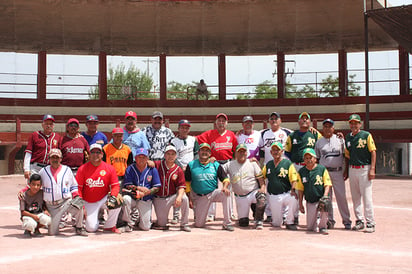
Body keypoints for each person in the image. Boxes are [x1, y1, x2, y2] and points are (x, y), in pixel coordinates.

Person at [197, 113, 238, 222]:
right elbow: (197, 140)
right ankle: (211, 214)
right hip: (214, 163)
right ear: (215, 123)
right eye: (219, 121)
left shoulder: (231, 135)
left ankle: (230, 213)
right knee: (212, 188)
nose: (221, 123)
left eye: (223, 121)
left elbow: (236, 150)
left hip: (227, 163)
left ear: (226, 123)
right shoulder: (210, 134)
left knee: (228, 189)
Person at [185, 143, 234, 231]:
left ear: (210, 153)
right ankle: (198, 217)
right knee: (199, 225)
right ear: (198, 152)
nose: (204, 152)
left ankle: (227, 223)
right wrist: (189, 198)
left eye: (207, 151)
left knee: (226, 194)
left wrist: (225, 187)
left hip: (213, 193)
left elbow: (225, 179)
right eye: (202, 150)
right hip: (199, 196)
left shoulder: (215, 165)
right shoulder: (191, 165)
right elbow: (187, 182)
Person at [38, 148, 87, 236]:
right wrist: (24, 190)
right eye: (53, 158)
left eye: (57, 158)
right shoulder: (43, 171)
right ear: (49, 159)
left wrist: (76, 195)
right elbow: (36, 185)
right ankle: (53, 223)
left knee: (78, 205)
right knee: (52, 233)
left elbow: (73, 185)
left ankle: (79, 227)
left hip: (65, 202)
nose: (55, 160)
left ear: (61, 159)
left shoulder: (67, 170)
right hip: (50, 206)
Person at [284, 112, 322, 224]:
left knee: (313, 189)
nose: (304, 120)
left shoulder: (315, 134)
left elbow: (323, 145)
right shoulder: (292, 135)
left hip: (311, 167)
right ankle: (295, 217)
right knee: (295, 191)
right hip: (297, 166)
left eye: (307, 119)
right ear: (298, 121)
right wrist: (296, 161)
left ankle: (318, 216)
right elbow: (287, 151)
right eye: (302, 118)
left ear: (310, 122)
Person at [76, 144, 122, 233]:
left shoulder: (109, 168)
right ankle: (90, 218)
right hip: (89, 201)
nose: (95, 154)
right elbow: (78, 188)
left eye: (98, 152)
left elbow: (115, 186)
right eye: (92, 152)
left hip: (103, 198)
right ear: (89, 154)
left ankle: (110, 226)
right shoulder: (82, 169)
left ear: (102, 154)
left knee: (118, 200)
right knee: (91, 228)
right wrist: (82, 205)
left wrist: (113, 196)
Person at [315, 118, 351, 230]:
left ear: (333, 128)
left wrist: (346, 170)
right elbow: (316, 159)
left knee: (341, 197)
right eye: (325, 126)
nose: (327, 128)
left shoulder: (340, 140)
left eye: (330, 126)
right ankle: (329, 220)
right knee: (327, 197)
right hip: (325, 172)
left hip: (338, 171)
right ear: (323, 128)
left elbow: (346, 156)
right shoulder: (319, 142)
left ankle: (346, 221)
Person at [344, 114, 377, 233]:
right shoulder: (348, 137)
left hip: (365, 168)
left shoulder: (366, 135)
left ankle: (370, 222)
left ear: (360, 124)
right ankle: (359, 220)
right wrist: (346, 170)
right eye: (351, 123)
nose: (353, 125)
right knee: (355, 197)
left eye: (356, 123)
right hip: (353, 168)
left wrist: (372, 169)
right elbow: (347, 155)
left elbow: (373, 152)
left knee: (367, 197)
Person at [223, 144, 266, 229]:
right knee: (243, 223)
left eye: (244, 151)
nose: (242, 153)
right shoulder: (229, 165)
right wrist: (211, 161)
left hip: (252, 192)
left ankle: (258, 219)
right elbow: (219, 171)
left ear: (247, 153)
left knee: (261, 197)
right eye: (240, 152)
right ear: (235, 153)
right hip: (240, 197)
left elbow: (261, 179)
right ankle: (244, 217)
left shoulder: (252, 164)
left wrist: (262, 188)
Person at [258, 112, 292, 223]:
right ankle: (269, 214)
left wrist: (313, 130)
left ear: (280, 120)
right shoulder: (263, 133)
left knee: (286, 189)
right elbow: (259, 148)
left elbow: (300, 133)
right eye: (271, 119)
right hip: (269, 165)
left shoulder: (287, 132)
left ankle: (286, 215)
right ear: (268, 121)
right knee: (269, 190)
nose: (273, 121)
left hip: (284, 165)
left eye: (276, 118)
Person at [121, 147, 161, 231]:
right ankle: (128, 223)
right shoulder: (130, 168)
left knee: (145, 227)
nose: (141, 159)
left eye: (144, 157)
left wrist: (146, 193)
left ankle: (139, 220)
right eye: (139, 157)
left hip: (145, 199)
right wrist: (139, 188)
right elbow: (127, 185)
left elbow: (157, 187)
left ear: (147, 158)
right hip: (133, 197)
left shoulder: (152, 169)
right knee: (125, 199)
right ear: (135, 158)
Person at [153, 145, 191, 232]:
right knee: (162, 223)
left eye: (173, 154)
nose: (170, 156)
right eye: (168, 154)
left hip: (171, 196)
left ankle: (184, 223)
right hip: (159, 198)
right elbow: (148, 163)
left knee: (184, 198)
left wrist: (179, 197)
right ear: (164, 155)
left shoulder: (178, 169)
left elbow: (182, 186)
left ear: (176, 156)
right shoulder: (158, 164)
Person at [262, 142, 299, 230]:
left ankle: (290, 221)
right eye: (274, 150)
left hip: (286, 194)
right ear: (271, 152)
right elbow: (261, 177)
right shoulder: (268, 165)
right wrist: (262, 187)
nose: (276, 152)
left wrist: (293, 190)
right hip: (273, 195)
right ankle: (278, 219)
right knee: (276, 224)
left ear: (282, 151)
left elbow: (294, 179)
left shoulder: (287, 163)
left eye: (278, 150)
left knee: (294, 199)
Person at [296, 148, 332, 234]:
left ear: (315, 159)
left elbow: (327, 184)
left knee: (325, 204)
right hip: (310, 200)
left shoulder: (321, 169)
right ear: (304, 160)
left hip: (320, 199)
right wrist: (300, 204)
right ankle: (317, 221)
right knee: (310, 228)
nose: (309, 160)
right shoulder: (302, 171)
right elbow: (300, 189)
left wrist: (325, 196)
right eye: (306, 158)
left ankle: (323, 226)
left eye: (310, 157)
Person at [170, 119, 199, 224]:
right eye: (182, 127)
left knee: (193, 193)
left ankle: (197, 215)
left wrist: (192, 165)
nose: (184, 129)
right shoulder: (173, 141)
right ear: (178, 129)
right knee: (179, 192)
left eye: (186, 128)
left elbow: (196, 153)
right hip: (179, 170)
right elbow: (172, 156)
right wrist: (180, 167)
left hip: (191, 169)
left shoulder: (193, 139)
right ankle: (176, 215)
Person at [23, 114, 61, 179]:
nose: (48, 126)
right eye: (46, 124)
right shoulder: (35, 135)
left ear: (53, 126)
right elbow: (29, 152)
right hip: (36, 167)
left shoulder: (57, 137)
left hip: (50, 167)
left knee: (48, 188)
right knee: (33, 187)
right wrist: (26, 169)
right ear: (42, 124)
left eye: (51, 124)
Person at [20, 174, 52, 238]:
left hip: (38, 214)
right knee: (31, 224)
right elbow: (23, 212)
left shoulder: (41, 193)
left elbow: (43, 204)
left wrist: (45, 210)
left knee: (47, 220)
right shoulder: (24, 195)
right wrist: (33, 216)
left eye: (38, 185)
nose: (35, 187)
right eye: (33, 185)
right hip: (28, 215)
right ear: (29, 184)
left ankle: (36, 229)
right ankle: (28, 230)